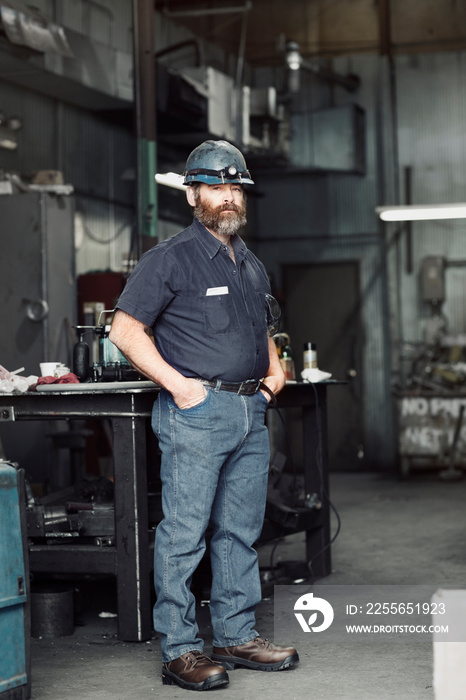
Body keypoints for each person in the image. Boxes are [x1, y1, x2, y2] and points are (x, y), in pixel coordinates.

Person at [109, 139, 299, 691]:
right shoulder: (168, 259)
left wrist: (274, 371)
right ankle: (181, 649)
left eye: (236, 186)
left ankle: (237, 635)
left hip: (249, 411)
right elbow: (124, 331)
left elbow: (262, 327)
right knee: (185, 533)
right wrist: (180, 388)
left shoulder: (252, 264)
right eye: (216, 186)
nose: (228, 197)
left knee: (240, 531)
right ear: (192, 194)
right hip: (197, 413)